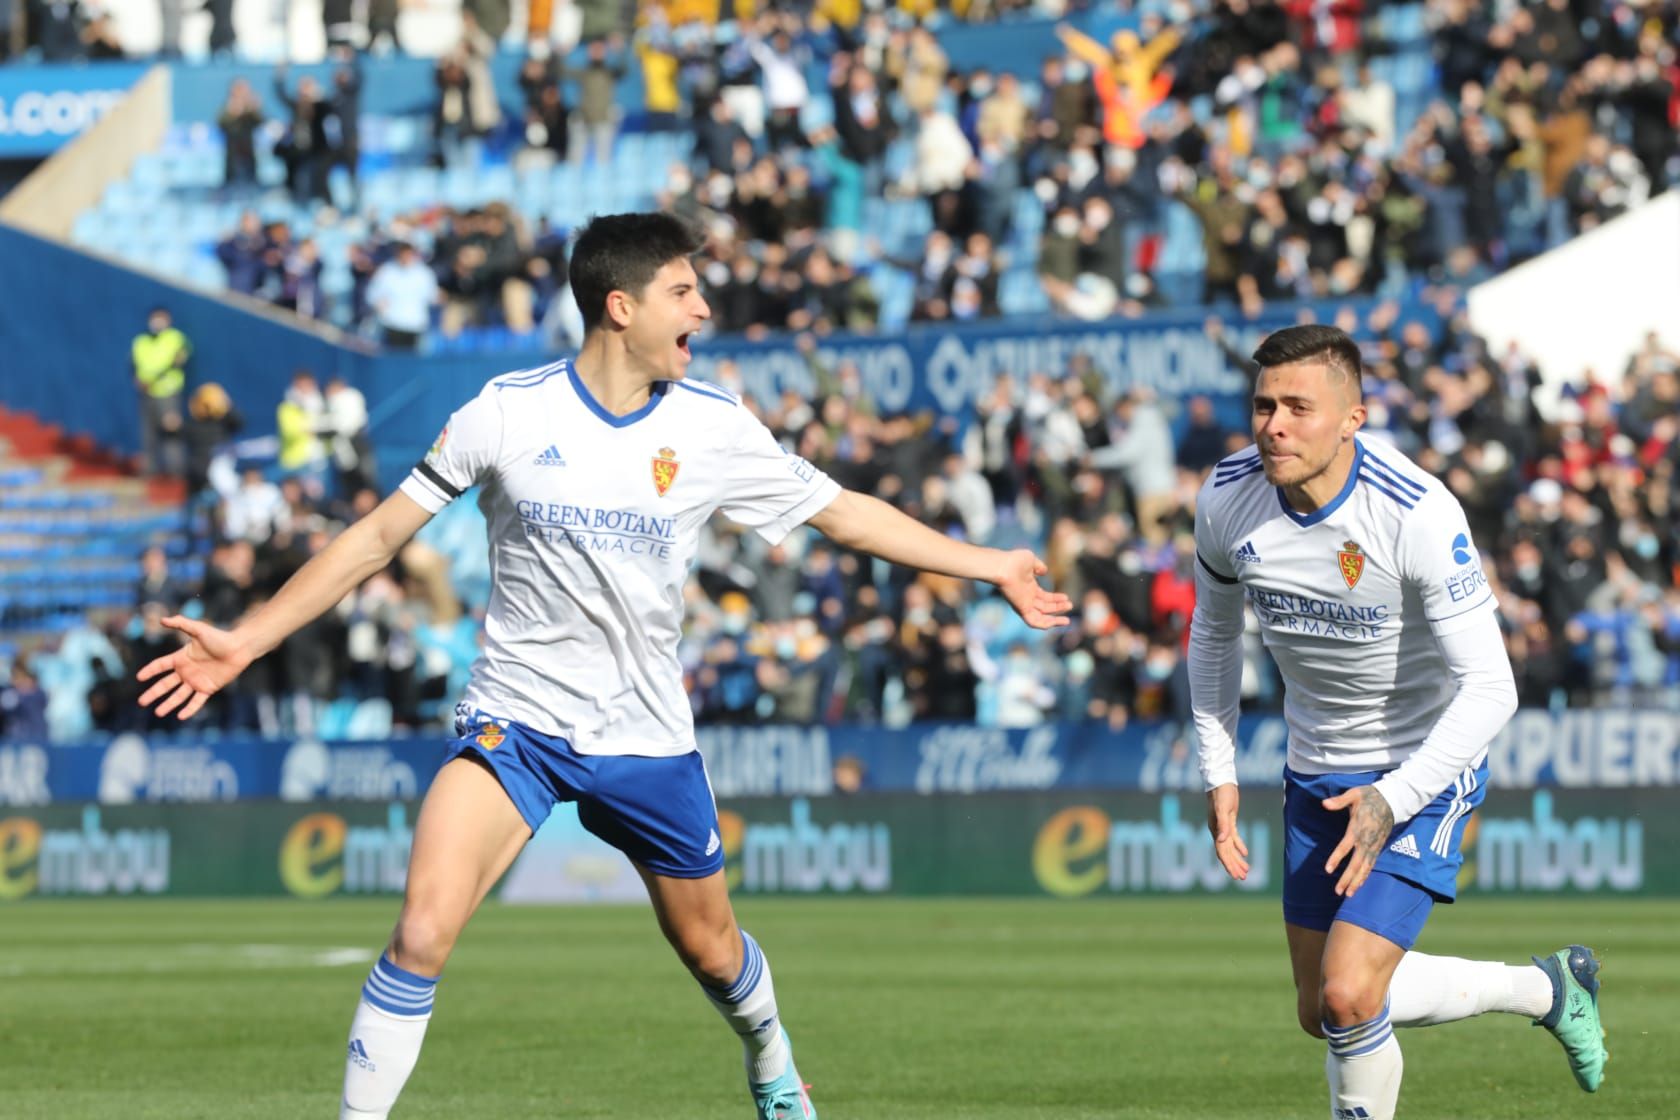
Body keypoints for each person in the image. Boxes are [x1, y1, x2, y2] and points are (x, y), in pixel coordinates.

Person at [135, 211, 1071, 1120]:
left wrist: (990, 565)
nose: (703, 311)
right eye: (684, 291)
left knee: (711, 951)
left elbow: (844, 514)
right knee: (422, 929)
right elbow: (379, 537)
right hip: (519, 725)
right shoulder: (505, 413)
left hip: (646, 735)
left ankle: (773, 1060)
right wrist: (248, 639)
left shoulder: (713, 425)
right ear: (620, 306)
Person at [1187, 324, 1607, 1120]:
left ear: (1353, 418)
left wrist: (1396, 795)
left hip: (1422, 766)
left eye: (1298, 407)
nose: (1274, 423)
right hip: (1315, 770)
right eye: (1264, 405)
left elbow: (1492, 688)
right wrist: (1219, 766)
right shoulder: (1226, 496)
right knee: (1322, 1008)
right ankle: (1545, 987)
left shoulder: (1414, 511)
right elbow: (1212, 633)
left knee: (1349, 994)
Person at [131, 306, 190, 477]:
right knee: (148, 433)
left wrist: (154, 379)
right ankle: (149, 471)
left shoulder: (175, 338)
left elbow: (180, 359)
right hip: (146, 393)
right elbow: (133, 364)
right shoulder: (141, 341)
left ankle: (175, 472)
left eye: (161, 317)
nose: (157, 322)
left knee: (171, 432)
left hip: (168, 392)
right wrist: (138, 379)